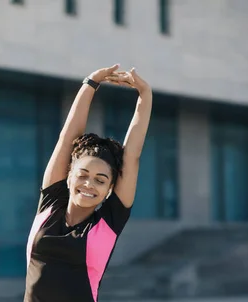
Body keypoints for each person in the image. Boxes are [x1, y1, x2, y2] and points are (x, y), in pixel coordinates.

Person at [24, 64, 152, 302]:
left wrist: (145, 94)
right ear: (69, 175)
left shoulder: (109, 222)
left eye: (100, 180)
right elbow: (66, 139)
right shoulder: (50, 204)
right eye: (82, 175)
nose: (89, 184)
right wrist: (90, 83)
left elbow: (132, 155)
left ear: (109, 189)